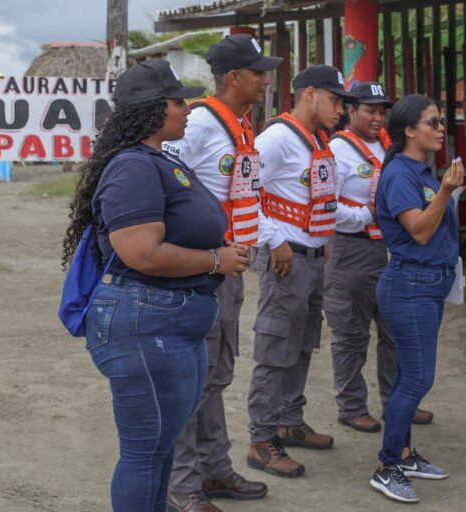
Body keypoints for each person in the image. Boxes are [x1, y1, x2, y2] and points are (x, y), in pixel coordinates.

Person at [61, 58, 249, 512]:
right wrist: (214, 259)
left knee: (160, 448)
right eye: (178, 101)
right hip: (145, 324)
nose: (188, 109)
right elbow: (140, 252)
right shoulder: (133, 167)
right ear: (151, 109)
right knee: (145, 452)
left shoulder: (155, 159)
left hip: (167, 323)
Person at [161, 34, 281, 512]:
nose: (266, 80)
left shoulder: (241, 125)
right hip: (204, 269)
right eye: (258, 72)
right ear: (234, 77)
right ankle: (183, 485)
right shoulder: (200, 124)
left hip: (229, 268)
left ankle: (213, 471)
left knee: (218, 374)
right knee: (196, 378)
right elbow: (166, 185)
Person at [246, 64, 356, 478]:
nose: (341, 110)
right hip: (286, 258)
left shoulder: (315, 140)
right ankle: (260, 439)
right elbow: (243, 193)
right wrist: (273, 239)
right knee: (274, 350)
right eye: (335, 100)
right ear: (310, 94)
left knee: (303, 345)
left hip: (311, 257)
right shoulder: (276, 139)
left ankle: (288, 420)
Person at [369, 95, 463, 503]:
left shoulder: (420, 172)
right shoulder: (400, 175)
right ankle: (388, 465)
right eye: (433, 122)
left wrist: (441, 187)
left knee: (410, 374)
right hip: (410, 285)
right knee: (418, 378)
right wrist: (445, 190)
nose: (441, 128)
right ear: (409, 130)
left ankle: (404, 455)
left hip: (427, 284)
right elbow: (420, 231)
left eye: (441, 121)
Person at [326, 81, 433, 433]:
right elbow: (327, 207)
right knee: (351, 333)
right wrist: (369, 215)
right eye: (369, 110)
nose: (377, 117)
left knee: (394, 331)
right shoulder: (336, 151)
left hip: (390, 249)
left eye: (382, 111)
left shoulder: (391, 147)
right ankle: (352, 405)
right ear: (350, 111)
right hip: (352, 248)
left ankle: (397, 401)